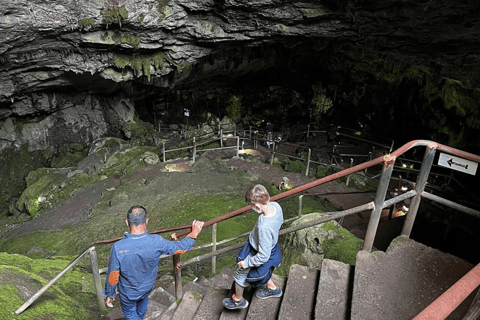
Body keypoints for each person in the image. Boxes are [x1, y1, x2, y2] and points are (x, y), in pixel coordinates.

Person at [103, 205, 204, 320]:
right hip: (147, 288)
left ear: (127, 222)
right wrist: (194, 233)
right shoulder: (156, 241)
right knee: (143, 300)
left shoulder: (118, 247)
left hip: (128, 293)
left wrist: (110, 295)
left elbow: (113, 276)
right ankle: (141, 316)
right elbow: (181, 248)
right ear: (146, 221)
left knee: (130, 313)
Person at [222, 184, 284, 310]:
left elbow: (263, 255)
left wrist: (247, 262)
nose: (251, 208)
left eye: (251, 206)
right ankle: (273, 288)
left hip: (257, 251)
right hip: (271, 246)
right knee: (264, 270)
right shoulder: (276, 206)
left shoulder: (264, 227)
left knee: (239, 276)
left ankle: (238, 301)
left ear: (257, 206)